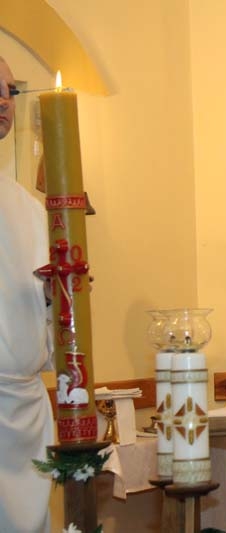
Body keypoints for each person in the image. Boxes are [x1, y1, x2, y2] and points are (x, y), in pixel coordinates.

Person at [0, 56, 53, 533]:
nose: (3, 101)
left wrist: (59, 296)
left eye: (10, 91)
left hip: (26, 413)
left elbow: (44, 313)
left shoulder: (30, 209)